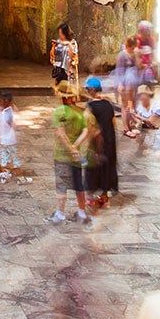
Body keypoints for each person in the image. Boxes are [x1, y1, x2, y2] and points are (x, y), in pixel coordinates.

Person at [48, 81, 95, 224]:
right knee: (78, 184)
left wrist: (70, 148)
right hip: (77, 157)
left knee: (61, 185)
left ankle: (60, 214)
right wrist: (76, 147)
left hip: (62, 155)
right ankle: (81, 212)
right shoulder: (80, 113)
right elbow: (86, 132)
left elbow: (61, 134)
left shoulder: (59, 111)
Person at [84, 77, 120, 207]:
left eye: (87, 89)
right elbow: (113, 122)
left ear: (92, 90)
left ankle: (90, 197)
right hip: (110, 140)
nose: (87, 91)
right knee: (108, 166)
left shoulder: (90, 106)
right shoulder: (108, 104)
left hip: (97, 141)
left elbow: (90, 127)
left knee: (93, 168)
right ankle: (104, 196)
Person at [114, 37, 141, 138]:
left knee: (131, 105)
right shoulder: (122, 55)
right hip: (124, 84)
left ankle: (131, 125)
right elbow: (119, 70)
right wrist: (120, 84)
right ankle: (126, 128)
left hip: (132, 85)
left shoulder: (134, 54)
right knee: (125, 106)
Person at [0, 91, 19, 180]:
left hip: (6, 138)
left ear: (6, 101)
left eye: (2, 101)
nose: (0, 103)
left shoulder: (8, 112)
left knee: (5, 155)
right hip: (2, 137)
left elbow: (11, 125)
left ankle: (5, 171)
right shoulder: (4, 110)